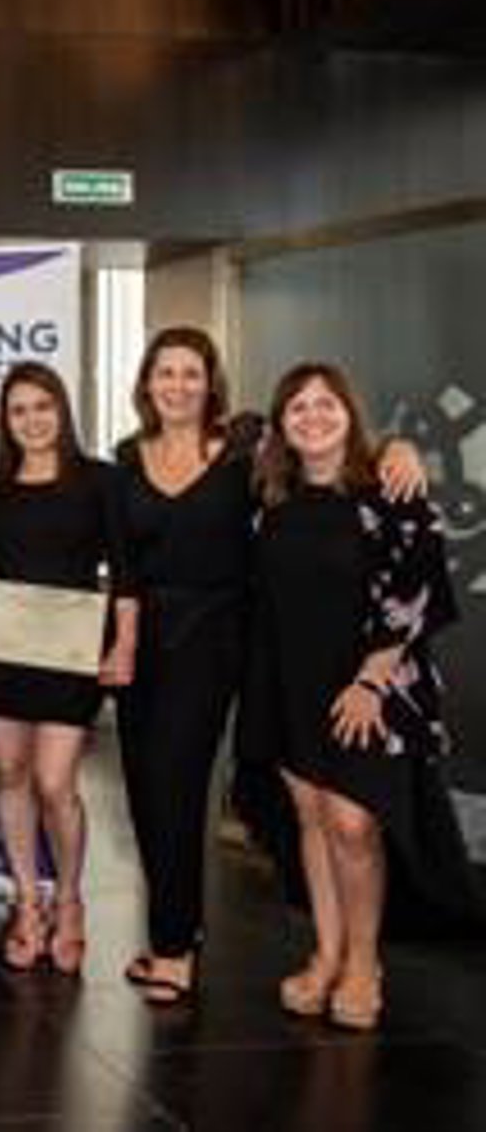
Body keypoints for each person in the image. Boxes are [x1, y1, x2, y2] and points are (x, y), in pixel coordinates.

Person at [113, 327, 424, 1005]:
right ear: (146, 383)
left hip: (223, 637)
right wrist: (123, 641)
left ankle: (176, 947)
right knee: (147, 789)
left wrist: (396, 448)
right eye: (165, 372)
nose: (177, 385)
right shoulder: (126, 456)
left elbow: (330, 455)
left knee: (180, 785)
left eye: (191, 373)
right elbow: (125, 561)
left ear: (211, 384)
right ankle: (192, 931)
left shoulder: (243, 447)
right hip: (154, 643)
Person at [243, 363, 477, 1031]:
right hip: (289, 684)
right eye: (298, 407)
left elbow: (417, 591)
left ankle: (364, 963)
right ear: (281, 425)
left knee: (353, 823)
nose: (313, 417)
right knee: (313, 818)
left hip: (368, 687)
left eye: (326, 404)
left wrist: (372, 680)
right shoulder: (269, 503)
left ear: (349, 413)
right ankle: (327, 952)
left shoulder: (391, 491)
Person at [0, 362, 136, 974]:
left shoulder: (100, 481)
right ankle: (28, 902)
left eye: (42, 406)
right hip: (2, 651)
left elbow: (126, 571)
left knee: (56, 784)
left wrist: (123, 643)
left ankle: (72, 900)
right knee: (9, 775)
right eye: (19, 411)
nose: (32, 420)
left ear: (62, 410)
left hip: (70, 656)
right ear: (5, 422)